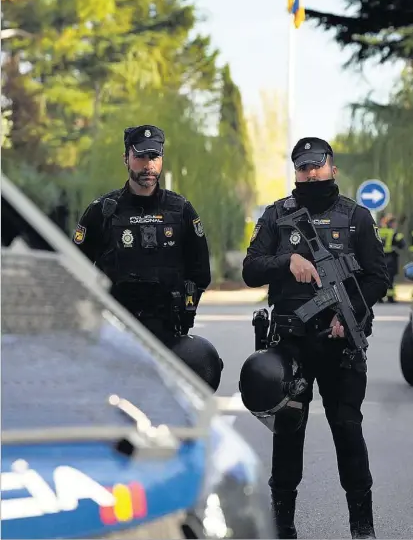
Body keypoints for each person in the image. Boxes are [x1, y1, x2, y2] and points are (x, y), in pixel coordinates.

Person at [242, 137, 389, 539]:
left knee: (347, 430)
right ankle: (282, 527)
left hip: (340, 347)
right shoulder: (276, 216)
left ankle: (363, 527)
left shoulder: (357, 218)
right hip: (291, 345)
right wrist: (287, 261)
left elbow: (378, 277)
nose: (309, 173)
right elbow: (251, 269)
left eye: (316, 166)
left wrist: (352, 316)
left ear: (332, 169)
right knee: (288, 436)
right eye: (302, 167)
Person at [72, 124, 222, 390]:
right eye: (140, 156)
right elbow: (74, 271)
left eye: (154, 157)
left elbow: (200, 273)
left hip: (167, 334)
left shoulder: (181, 210)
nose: (148, 165)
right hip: (116, 335)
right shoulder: (102, 212)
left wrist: (184, 309)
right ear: (126, 158)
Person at [378, 215, 406, 303]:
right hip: (390, 258)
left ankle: (379, 298)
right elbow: (402, 245)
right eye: (394, 223)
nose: (395, 224)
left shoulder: (378, 232)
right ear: (390, 223)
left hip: (379, 258)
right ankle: (390, 298)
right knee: (390, 279)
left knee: (380, 278)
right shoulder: (393, 233)